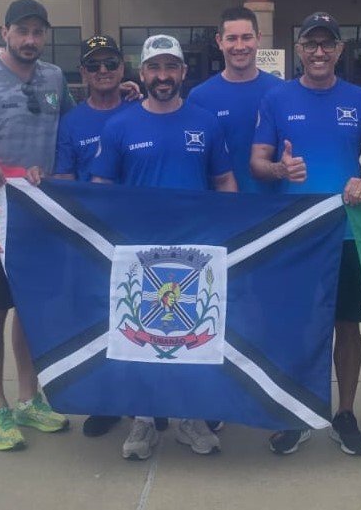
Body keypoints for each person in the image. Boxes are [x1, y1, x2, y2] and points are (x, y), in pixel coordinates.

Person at [250, 11, 361, 457]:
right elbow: (258, 160)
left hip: (346, 232)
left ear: (339, 50)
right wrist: (280, 168)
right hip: (296, 233)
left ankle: (345, 413)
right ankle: (296, 411)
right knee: (296, 326)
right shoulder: (277, 99)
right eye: (310, 44)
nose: (318, 52)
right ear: (298, 50)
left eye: (326, 44)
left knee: (346, 325)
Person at [91, 33, 238, 460]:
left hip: (195, 256)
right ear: (143, 73)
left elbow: (224, 180)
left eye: (170, 67)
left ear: (183, 72)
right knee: (138, 337)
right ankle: (141, 420)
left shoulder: (205, 122)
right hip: (139, 258)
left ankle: (189, 418)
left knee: (193, 338)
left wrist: (228, 231)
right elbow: (102, 188)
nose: (162, 76)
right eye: (154, 67)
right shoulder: (118, 126)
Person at [0, 0, 73, 451]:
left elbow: (72, 127)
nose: (30, 40)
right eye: (21, 31)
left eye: (37, 32)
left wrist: (121, 94)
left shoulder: (55, 78)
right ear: (3, 32)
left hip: (41, 218)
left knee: (29, 310)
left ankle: (29, 399)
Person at [51, 33, 135, 438]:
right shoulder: (72, 121)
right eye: (94, 65)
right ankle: (107, 402)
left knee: (139, 319)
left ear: (123, 69)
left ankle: (145, 399)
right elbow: (64, 180)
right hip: (92, 237)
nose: (103, 72)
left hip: (136, 234)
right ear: (82, 73)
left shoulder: (141, 108)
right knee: (99, 319)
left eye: (111, 64)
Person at [188, 6, 283, 193]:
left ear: (258, 38)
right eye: (232, 38)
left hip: (273, 210)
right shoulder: (199, 97)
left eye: (247, 37)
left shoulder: (281, 91)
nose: (240, 47)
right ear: (219, 41)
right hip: (220, 210)